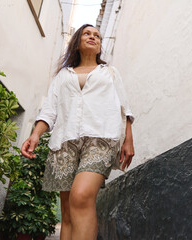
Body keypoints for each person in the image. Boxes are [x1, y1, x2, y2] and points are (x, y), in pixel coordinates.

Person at [21, 24, 135, 240]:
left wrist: (128, 139)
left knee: (81, 196)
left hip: (101, 140)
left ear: (100, 45)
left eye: (97, 36)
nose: (93, 37)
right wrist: (35, 134)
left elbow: (124, 107)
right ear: (77, 42)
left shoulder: (110, 73)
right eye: (87, 33)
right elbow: (50, 110)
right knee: (67, 213)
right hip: (64, 143)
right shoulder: (63, 75)